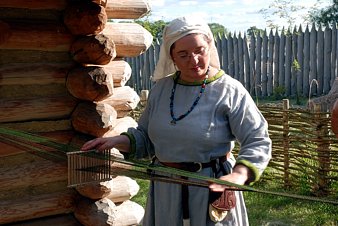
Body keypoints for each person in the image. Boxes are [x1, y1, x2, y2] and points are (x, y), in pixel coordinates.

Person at [81, 15, 272, 226]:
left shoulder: (229, 90)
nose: (194, 60)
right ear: (171, 56)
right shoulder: (161, 90)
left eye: (200, 51)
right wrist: (116, 142)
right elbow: (146, 138)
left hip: (210, 189)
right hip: (167, 191)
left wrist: (239, 175)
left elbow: (257, 139)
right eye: (183, 54)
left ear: (210, 46)